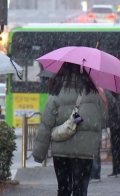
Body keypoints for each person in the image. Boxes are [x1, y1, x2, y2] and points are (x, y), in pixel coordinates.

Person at [33, 63, 108, 196]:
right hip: (85, 151)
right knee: (81, 190)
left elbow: (46, 124)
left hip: (62, 152)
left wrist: (39, 154)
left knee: (64, 189)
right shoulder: (93, 93)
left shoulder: (56, 94)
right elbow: (103, 119)